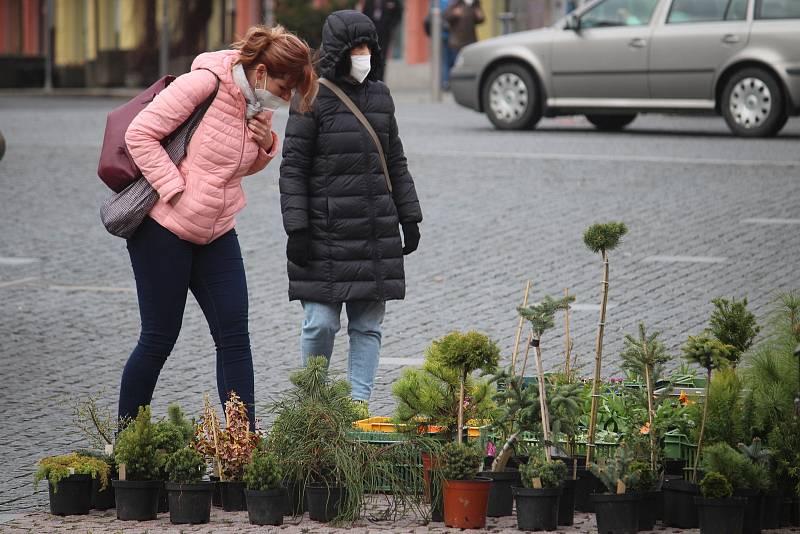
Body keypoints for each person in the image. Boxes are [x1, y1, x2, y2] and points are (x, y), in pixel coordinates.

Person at [120, 25, 317, 428]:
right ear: (261, 72)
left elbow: (236, 166)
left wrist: (265, 144)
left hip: (216, 231)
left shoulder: (254, 104)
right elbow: (139, 134)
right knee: (159, 338)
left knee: (234, 338)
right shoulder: (204, 83)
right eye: (283, 87)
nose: (283, 98)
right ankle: (126, 446)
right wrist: (175, 189)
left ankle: (239, 450)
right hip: (164, 229)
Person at [279, 10, 422, 406]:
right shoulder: (310, 97)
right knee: (320, 323)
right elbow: (293, 169)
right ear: (339, 51)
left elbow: (395, 160)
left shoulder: (380, 96)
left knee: (367, 326)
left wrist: (409, 215)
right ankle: (312, 405)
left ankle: (356, 409)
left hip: (375, 232)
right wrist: (298, 228)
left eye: (368, 48)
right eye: (356, 48)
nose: (364, 55)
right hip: (325, 235)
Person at [361, 0, 404, 80]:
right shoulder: (369, 2)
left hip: (384, 34)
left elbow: (399, 13)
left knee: (381, 56)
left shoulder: (394, 2)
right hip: (371, 34)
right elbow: (364, 14)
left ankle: (380, 80)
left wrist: (391, 27)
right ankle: (371, 79)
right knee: (370, 56)